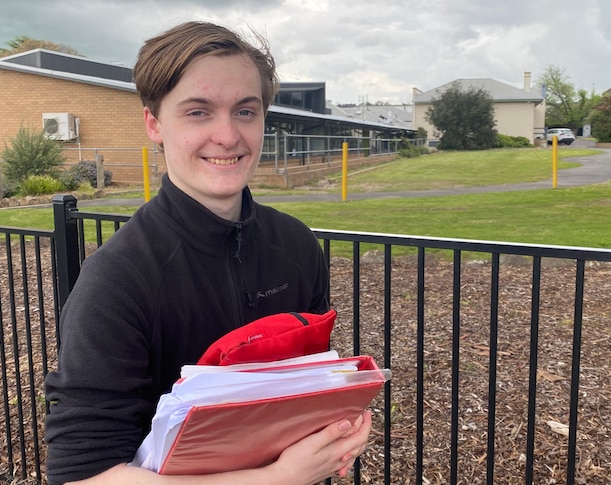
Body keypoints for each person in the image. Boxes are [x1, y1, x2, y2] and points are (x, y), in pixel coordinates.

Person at [44, 21, 373, 485]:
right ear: (154, 124)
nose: (227, 135)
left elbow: (305, 391)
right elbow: (82, 475)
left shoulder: (297, 245)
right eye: (198, 112)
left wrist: (337, 429)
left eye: (245, 111)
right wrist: (280, 478)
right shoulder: (118, 279)